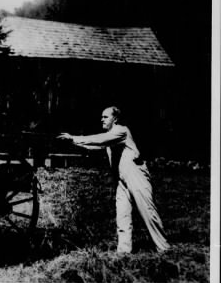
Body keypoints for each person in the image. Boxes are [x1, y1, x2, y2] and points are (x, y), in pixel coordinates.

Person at [58, 106, 170, 253]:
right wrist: (73, 141)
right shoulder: (110, 138)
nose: (101, 119)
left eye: (105, 117)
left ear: (115, 119)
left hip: (136, 175)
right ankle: (124, 252)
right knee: (122, 215)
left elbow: (99, 140)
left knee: (148, 212)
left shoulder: (121, 131)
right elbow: (95, 145)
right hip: (121, 179)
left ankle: (164, 249)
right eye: (101, 117)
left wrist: (74, 138)